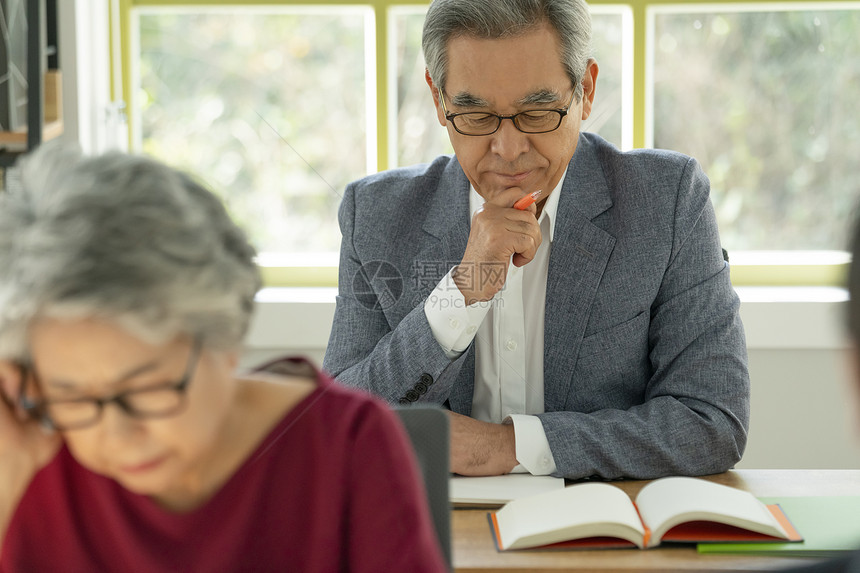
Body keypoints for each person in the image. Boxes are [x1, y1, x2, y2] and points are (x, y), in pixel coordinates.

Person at [323, 0, 750, 480]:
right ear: (439, 100)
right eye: (477, 116)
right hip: (437, 533)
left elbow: (712, 421)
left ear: (585, 90)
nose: (508, 150)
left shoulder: (666, 201)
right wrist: (463, 292)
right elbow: (335, 425)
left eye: (537, 112)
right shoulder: (375, 215)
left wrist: (504, 446)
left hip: (598, 531)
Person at [0, 145, 447, 572]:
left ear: (226, 336)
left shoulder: (347, 445)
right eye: (71, 396)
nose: (117, 435)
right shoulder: (28, 457)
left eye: (144, 389)